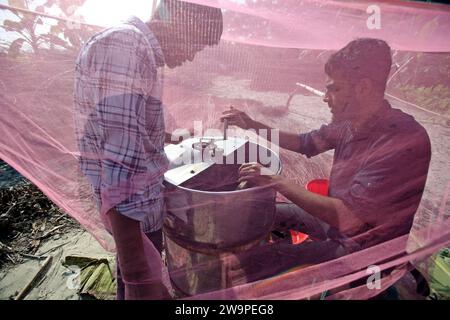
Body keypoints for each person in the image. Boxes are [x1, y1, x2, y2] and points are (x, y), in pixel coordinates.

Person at [220, 38, 431, 283]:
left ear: (363, 88)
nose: (325, 97)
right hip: (339, 229)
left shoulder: (403, 141)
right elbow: (305, 143)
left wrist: (274, 181)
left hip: (365, 251)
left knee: (258, 261)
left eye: (334, 89)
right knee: (258, 210)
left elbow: (349, 218)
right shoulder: (349, 123)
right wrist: (253, 125)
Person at [74, 0, 223, 299]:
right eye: (197, 43)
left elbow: (123, 126)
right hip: (133, 218)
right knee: (135, 288)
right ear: (179, 19)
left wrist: (168, 136)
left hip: (138, 216)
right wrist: (138, 276)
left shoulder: (137, 50)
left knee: (129, 281)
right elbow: (120, 168)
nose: (193, 55)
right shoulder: (126, 47)